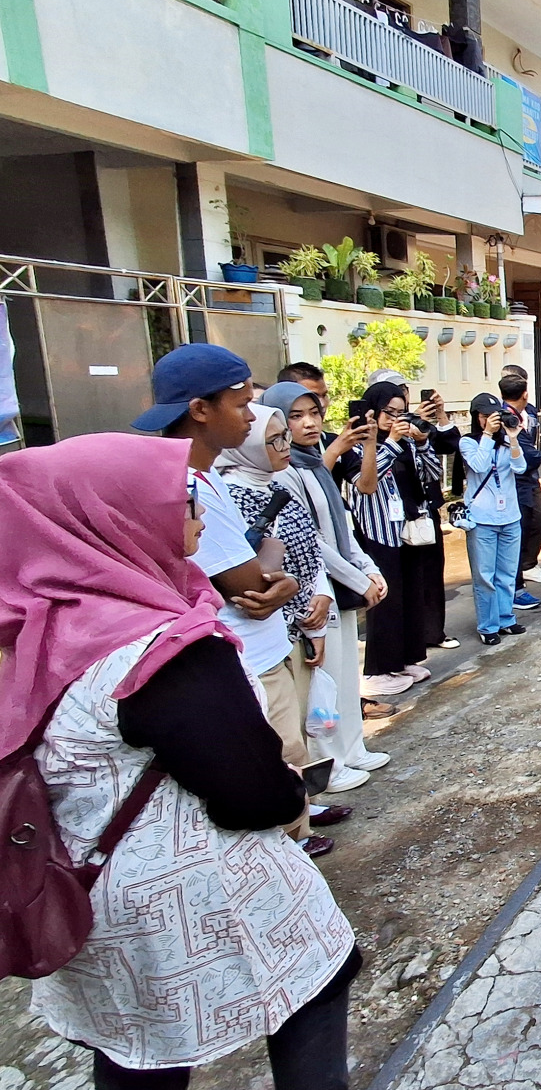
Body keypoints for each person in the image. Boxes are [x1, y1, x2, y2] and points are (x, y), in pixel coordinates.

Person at [0, 434, 438, 1090]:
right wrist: (285, 797)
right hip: (172, 882)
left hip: (74, 875)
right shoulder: (159, 647)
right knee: (319, 972)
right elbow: (250, 788)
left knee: (131, 1042)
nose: (199, 520)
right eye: (179, 504)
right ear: (112, 519)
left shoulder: (38, 626)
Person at [133, 346, 320, 844]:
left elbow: (265, 551)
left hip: (264, 647)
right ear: (200, 409)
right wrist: (277, 578)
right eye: (240, 404)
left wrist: (282, 575)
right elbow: (251, 585)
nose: (251, 417)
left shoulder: (210, 475)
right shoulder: (183, 486)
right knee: (279, 781)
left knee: (293, 765)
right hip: (247, 661)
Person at [215, 403, 339, 847]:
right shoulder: (231, 493)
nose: (285, 446)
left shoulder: (278, 483)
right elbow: (255, 586)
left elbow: (309, 548)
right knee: (282, 742)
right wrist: (297, 604)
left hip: (298, 620)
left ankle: (306, 807)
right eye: (275, 440)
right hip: (267, 633)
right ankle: (294, 832)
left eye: (284, 437)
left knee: (302, 727)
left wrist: (320, 594)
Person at [262, 382, 397, 765]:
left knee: (344, 677)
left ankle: (353, 749)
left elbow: (341, 522)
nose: (308, 423)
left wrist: (367, 569)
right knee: (322, 684)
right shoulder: (286, 471)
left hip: (337, 584)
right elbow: (310, 541)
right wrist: (356, 579)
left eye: (314, 413)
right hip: (313, 590)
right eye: (296, 415)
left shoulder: (311, 464)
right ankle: (328, 760)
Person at [346, 381, 443, 696]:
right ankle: (378, 670)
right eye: (389, 412)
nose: (396, 419)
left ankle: (405, 659)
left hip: (408, 530)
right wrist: (390, 441)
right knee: (385, 604)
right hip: (377, 533)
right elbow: (366, 483)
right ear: (372, 411)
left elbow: (434, 474)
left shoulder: (406, 441)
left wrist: (423, 439)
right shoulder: (357, 445)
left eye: (401, 412)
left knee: (410, 598)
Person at [459, 393, 527, 645]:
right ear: (476, 417)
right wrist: (487, 435)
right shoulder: (468, 442)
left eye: (493, 416)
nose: (490, 420)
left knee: (507, 574)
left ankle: (506, 618)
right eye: (484, 416)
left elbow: (520, 468)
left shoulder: (505, 441)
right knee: (484, 576)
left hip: (510, 516)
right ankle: (488, 626)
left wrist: (512, 437)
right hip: (482, 519)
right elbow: (478, 465)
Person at [494, 375, 541, 610]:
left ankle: (526, 568)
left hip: (529, 482)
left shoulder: (528, 413)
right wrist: (534, 456)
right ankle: (515, 587)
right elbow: (529, 456)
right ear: (525, 392)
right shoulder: (504, 419)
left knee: (538, 522)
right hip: (516, 484)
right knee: (517, 534)